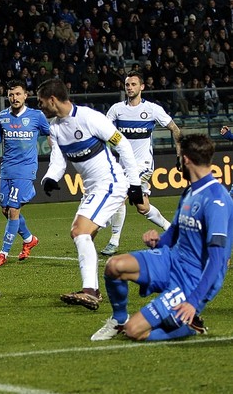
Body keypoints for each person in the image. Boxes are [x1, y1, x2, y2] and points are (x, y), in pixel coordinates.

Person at [91, 134, 232, 341]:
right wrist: (158, 241)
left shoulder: (217, 199)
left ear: (185, 159)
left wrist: (193, 301)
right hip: (171, 260)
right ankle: (118, 319)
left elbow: (218, 259)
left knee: (134, 331)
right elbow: (175, 231)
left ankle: (190, 326)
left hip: (192, 279)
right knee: (114, 266)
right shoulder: (190, 191)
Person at [37, 78, 143, 310]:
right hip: (93, 189)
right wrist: (50, 178)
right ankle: (92, 290)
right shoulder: (54, 128)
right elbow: (58, 161)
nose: (40, 106)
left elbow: (122, 144)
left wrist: (134, 184)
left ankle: (90, 292)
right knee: (84, 236)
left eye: (41, 102)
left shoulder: (90, 117)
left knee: (79, 231)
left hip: (110, 183)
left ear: (52, 100)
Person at [101, 72, 182, 256]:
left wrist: (179, 154)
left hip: (144, 164)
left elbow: (175, 129)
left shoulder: (153, 109)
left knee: (120, 194)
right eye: (127, 84)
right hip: (123, 165)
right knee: (142, 206)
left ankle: (114, 241)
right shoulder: (116, 110)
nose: (129, 87)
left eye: (133, 84)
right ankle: (172, 230)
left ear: (142, 87)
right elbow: (103, 131)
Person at [0, 81, 50, 267]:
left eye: (17, 94)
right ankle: (30, 239)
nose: (14, 98)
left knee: (14, 210)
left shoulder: (36, 116)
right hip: (7, 168)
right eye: (11, 95)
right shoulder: (2, 117)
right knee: (6, 211)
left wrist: (56, 161)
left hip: (25, 169)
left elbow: (50, 135)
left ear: (25, 95)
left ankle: (3, 254)